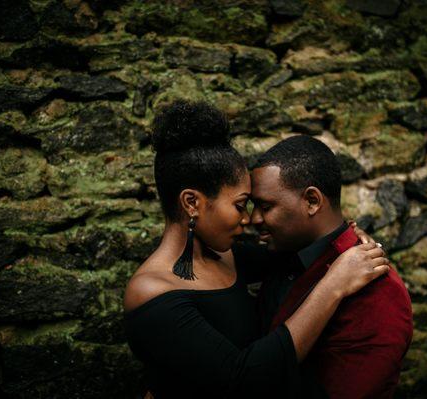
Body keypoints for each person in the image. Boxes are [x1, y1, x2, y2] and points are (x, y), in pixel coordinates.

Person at [123, 100, 390, 398]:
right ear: (191, 203)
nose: (248, 218)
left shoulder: (228, 256)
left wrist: (348, 235)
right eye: (240, 205)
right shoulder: (150, 293)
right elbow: (245, 381)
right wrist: (334, 286)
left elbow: (302, 247)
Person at [233, 135, 413, 398]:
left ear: (312, 201)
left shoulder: (377, 292)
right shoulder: (287, 252)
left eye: (265, 206)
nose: (253, 219)